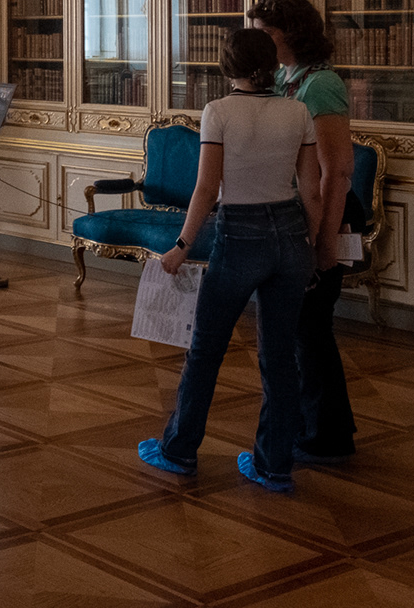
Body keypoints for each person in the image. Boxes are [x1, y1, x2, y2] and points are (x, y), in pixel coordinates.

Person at [138, 27, 320, 492]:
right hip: (291, 235)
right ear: (272, 65)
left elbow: (206, 188)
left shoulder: (217, 111)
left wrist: (182, 246)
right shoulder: (298, 111)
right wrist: (313, 246)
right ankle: (274, 465)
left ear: (228, 66)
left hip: (240, 235)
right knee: (280, 358)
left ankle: (179, 451)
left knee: (206, 351)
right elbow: (311, 190)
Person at [248, 0, 359, 464]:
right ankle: (310, 427)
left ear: (290, 34)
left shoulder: (321, 85)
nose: (259, 41)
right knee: (296, 334)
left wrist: (326, 243)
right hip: (290, 220)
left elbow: (338, 170)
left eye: (266, 33)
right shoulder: (283, 81)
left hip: (319, 224)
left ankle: (327, 435)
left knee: (309, 333)